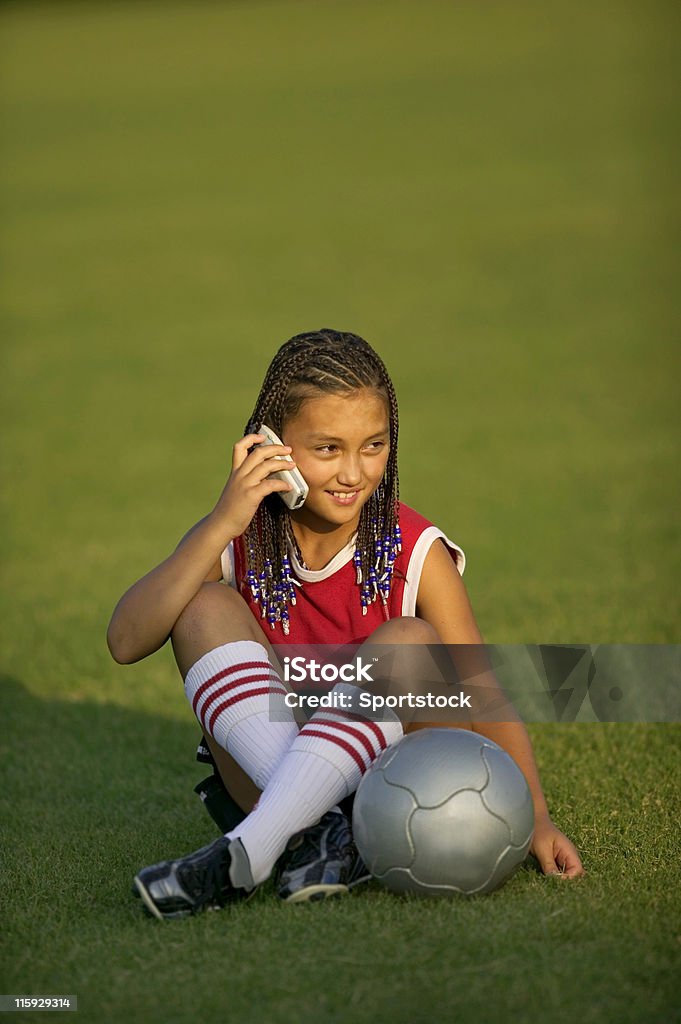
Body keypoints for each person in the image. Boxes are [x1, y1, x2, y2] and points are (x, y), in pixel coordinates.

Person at [107, 328, 584, 919]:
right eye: (328, 448)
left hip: (405, 783)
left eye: (374, 446)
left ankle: (254, 847)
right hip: (270, 774)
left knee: (408, 642)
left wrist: (534, 812)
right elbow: (126, 642)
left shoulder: (415, 550)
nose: (354, 473)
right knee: (202, 605)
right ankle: (320, 832)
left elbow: (482, 690)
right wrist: (220, 522)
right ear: (271, 446)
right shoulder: (238, 537)